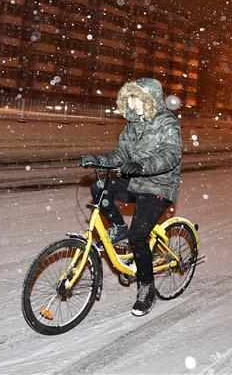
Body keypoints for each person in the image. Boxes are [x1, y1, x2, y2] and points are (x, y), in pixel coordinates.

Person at [81, 77, 182, 317]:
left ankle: (146, 288)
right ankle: (118, 228)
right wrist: (100, 160)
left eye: (136, 97)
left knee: (139, 236)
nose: (132, 102)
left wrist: (142, 165)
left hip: (159, 186)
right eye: (130, 97)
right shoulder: (132, 125)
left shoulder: (167, 123)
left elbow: (170, 156)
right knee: (99, 187)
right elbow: (120, 155)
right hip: (135, 181)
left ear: (149, 100)